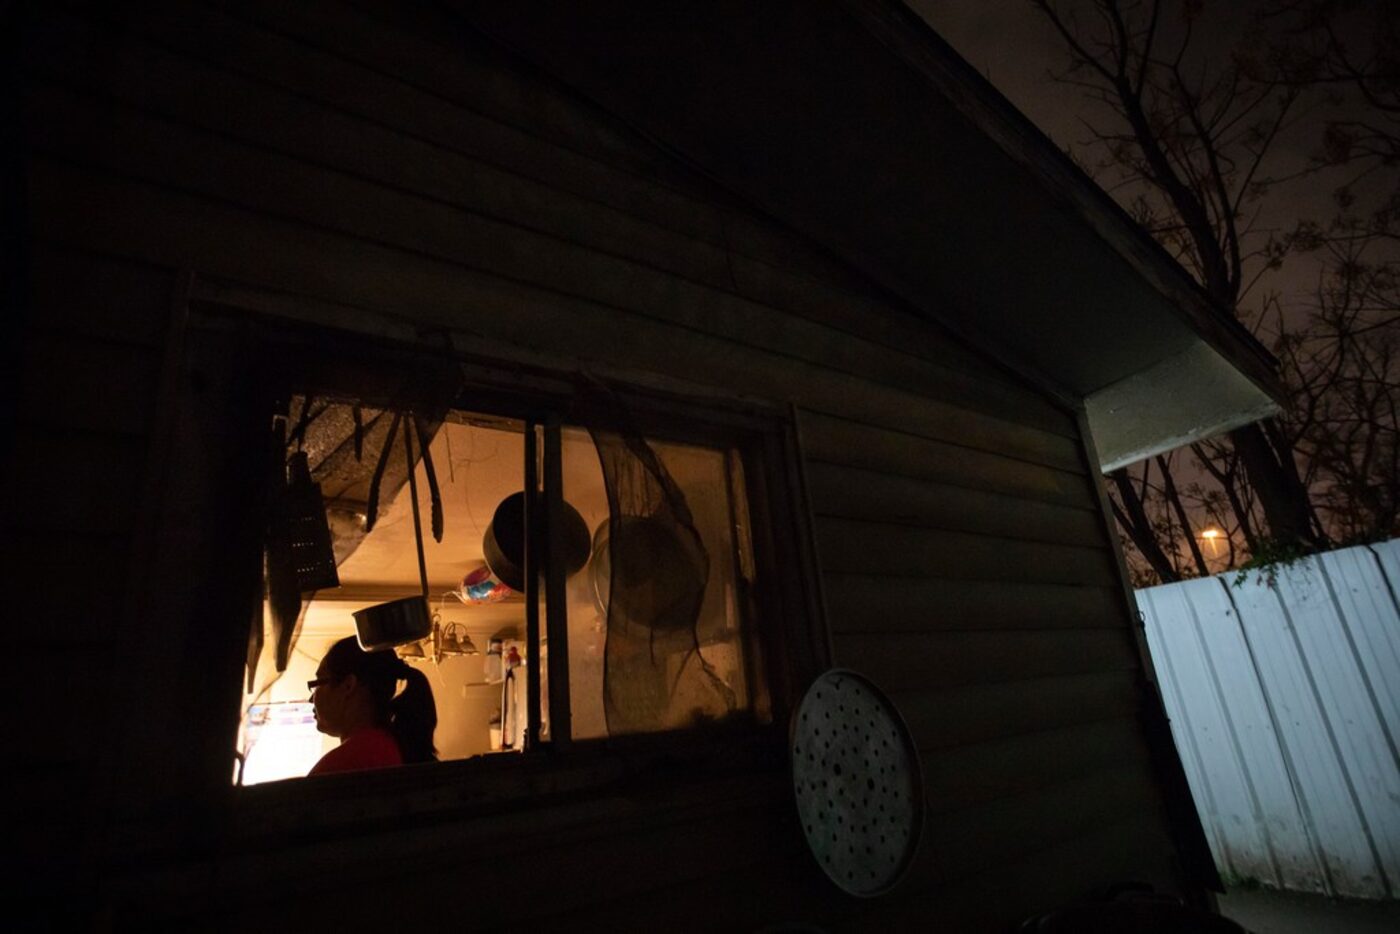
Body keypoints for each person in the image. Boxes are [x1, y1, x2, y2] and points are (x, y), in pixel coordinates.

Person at [307, 636, 437, 776]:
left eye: (317, 683)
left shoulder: (343, 765)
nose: (311, 699)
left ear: (348, 686)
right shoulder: (394, 747)